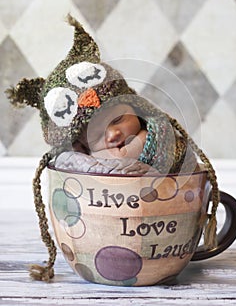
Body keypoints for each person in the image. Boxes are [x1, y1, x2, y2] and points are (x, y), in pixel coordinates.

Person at [6, 14, 220, 282]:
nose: (114, 133)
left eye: (119, 119)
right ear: (81, 145)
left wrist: (148, 140)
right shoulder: (81, 162)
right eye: (97, 133)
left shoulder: (159, 132)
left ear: (137, 109)